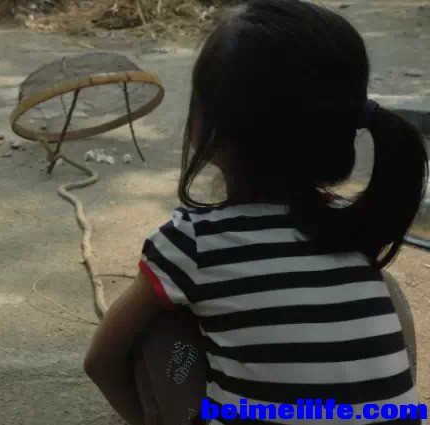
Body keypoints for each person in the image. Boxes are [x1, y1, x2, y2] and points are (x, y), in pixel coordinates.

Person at [83, 1, 428, 424]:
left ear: (208, 127)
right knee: (385, 289)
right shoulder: (354, 226)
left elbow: (101, 361)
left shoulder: (193, 244)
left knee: (158, 328)